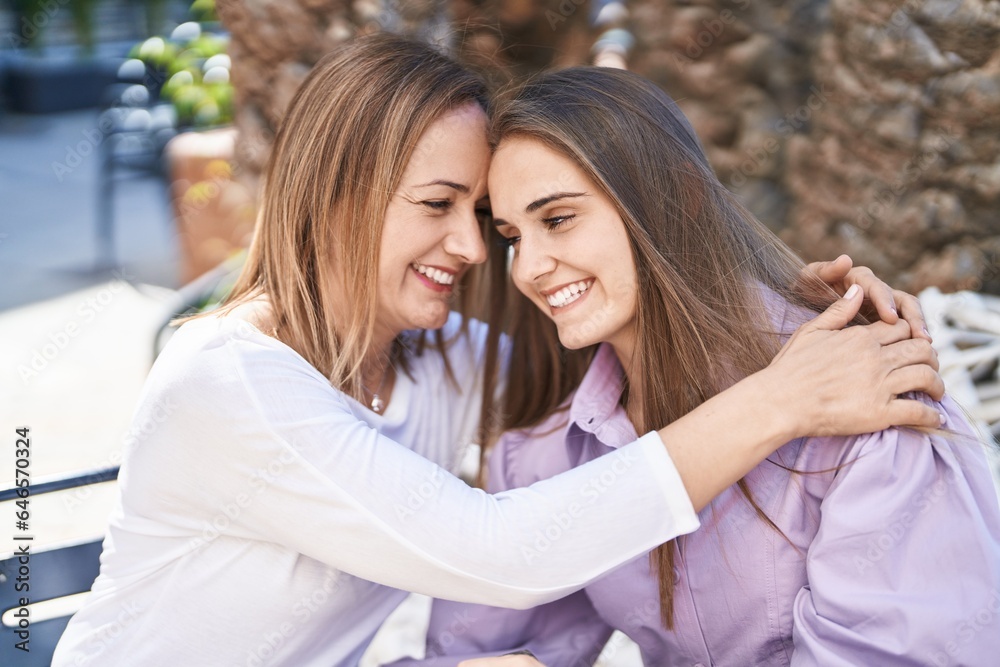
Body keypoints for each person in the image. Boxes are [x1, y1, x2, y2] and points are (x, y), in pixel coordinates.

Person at [53, 37, 944, 667]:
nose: (478, 251)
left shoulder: (442, 359)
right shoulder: (229, 380)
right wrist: (783, 399)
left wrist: (809, 309)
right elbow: (505, 552)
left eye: (482, 219)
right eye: (437, 204)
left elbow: (632, 320)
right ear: (337, 195)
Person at [392, 68, 1000, 666]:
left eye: (557, 219)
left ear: (677, 198)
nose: (528, 270)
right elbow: (479, 652)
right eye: (512, 236)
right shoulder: (548, 451)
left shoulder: (868, 393)